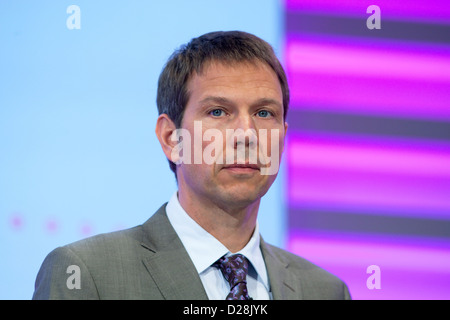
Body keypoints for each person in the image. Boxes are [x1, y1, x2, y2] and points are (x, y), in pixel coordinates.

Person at [32, 31, 351, 300]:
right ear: (171, 138)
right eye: (218, 112)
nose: (246, 134)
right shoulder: (87, 273)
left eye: (264, 113)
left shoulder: (324, 291)